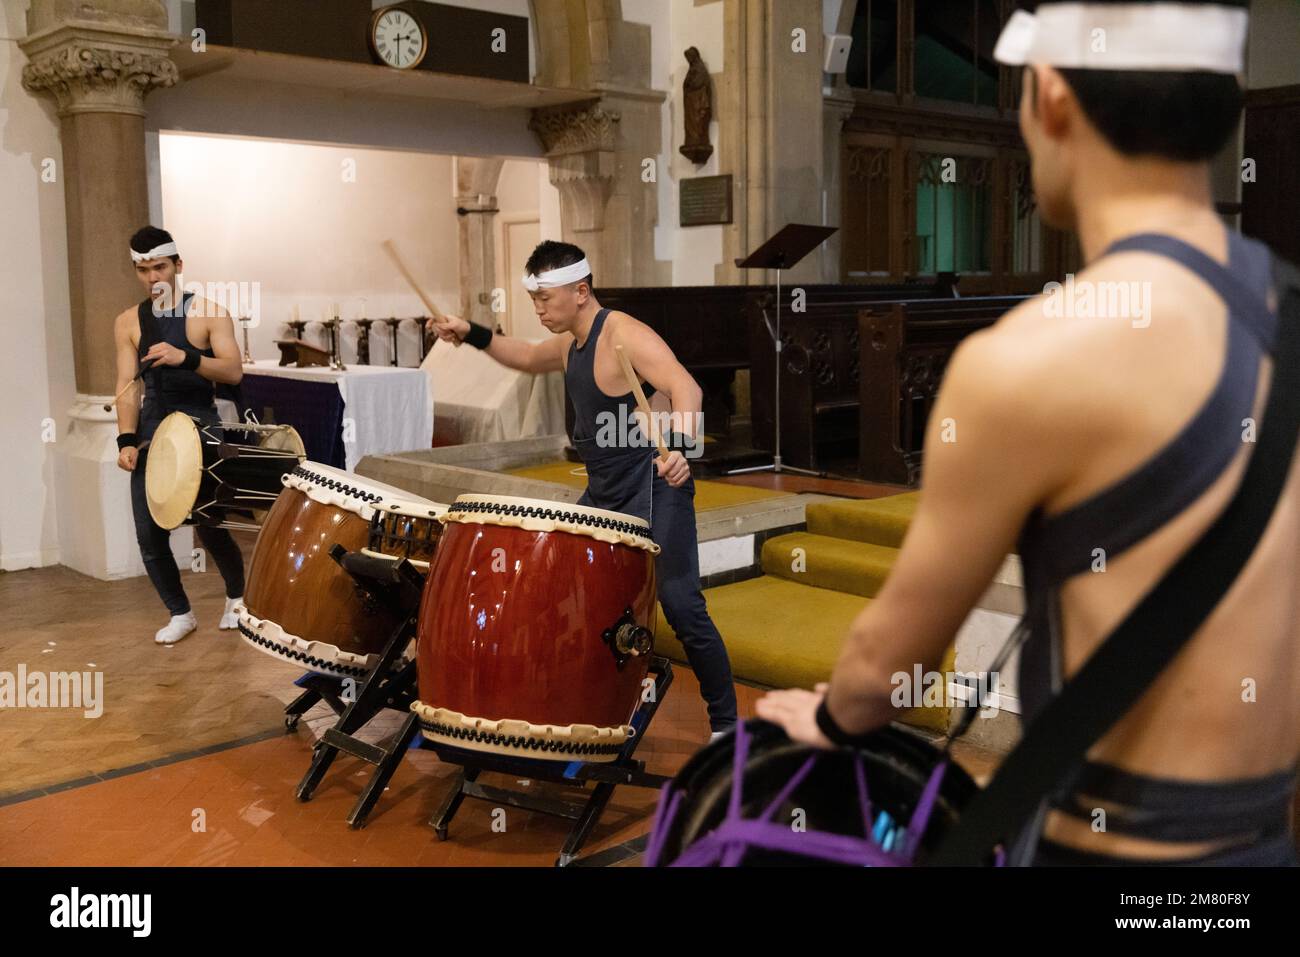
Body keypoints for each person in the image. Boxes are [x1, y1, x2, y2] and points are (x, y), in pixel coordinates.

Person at [758, 0, 1299, 865]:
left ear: (1049, 95)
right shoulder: (1288, 318)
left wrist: (826, 716)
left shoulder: (1029, 360)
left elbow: (892, 661)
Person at [429, 241, 739, 737]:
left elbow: (686, 388)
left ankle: (726, 724)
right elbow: (528, 358)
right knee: (567, 590)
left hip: (656, 484)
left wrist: (681, 448)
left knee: (681, 605)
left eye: (546, 298)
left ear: (580, 290)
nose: (539, 309)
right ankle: (584, 708)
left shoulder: (623, 333)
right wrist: (469, 332)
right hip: (606, 491)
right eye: (534, 299)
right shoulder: (571, 341)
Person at [113, 226, 247, 645]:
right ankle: (180, 612)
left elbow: (233, 371)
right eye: (144, 270)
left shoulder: (209, 312)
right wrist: (126, 440)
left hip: (199, 423)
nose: (153, 278)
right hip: (153, 429)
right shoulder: (127, 322)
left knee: (209, 523)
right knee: (148, 530)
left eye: (160, 267)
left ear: (178, 266)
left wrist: (185, 357)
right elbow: (127, 385)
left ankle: (237, 599)